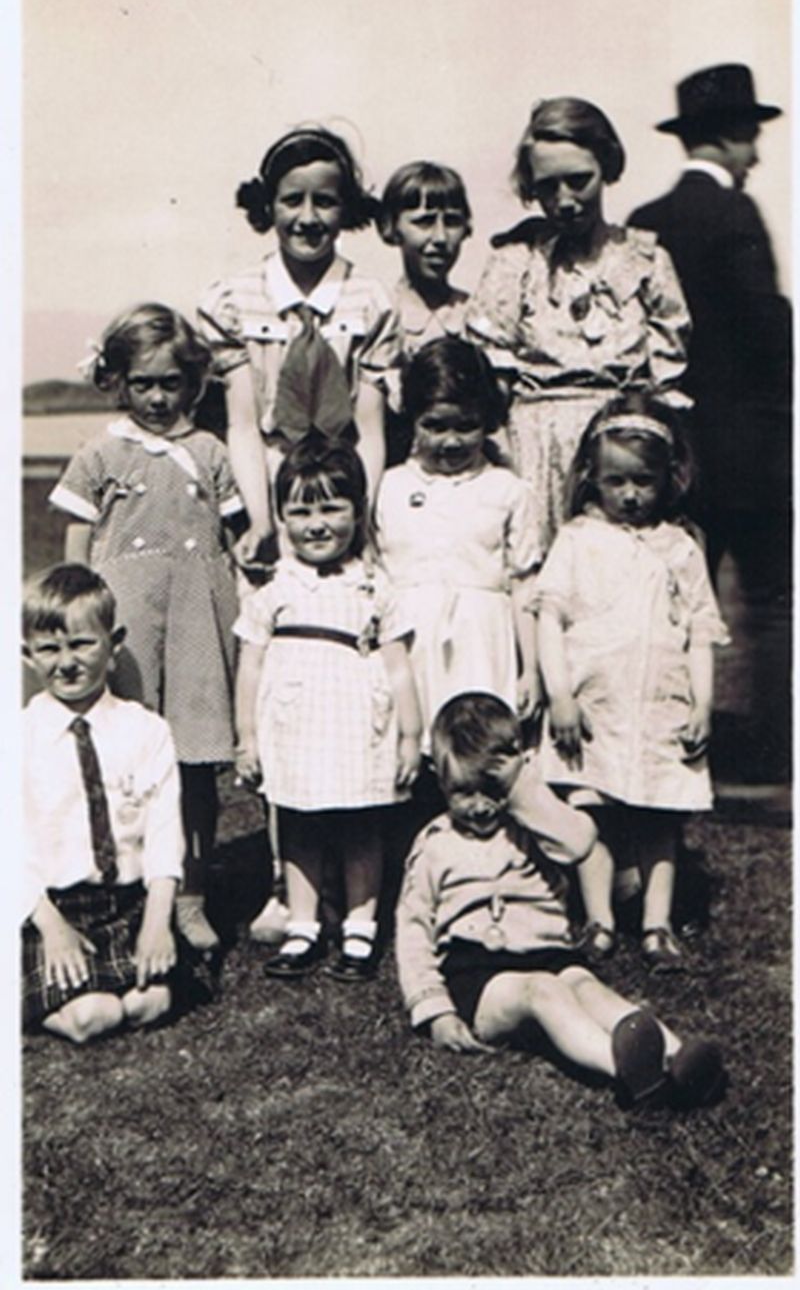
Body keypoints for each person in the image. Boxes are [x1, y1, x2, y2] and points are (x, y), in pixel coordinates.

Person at [395, 692, 725, 1108]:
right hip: (478, 973)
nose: (480, 806)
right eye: (463, 792)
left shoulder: (532, 824)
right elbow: (412, 930)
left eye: (491, 790)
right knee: (542, 992)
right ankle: (629, 1071)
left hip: (550, 952)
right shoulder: (433, 845)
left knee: (588, 988)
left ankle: (678, 1058)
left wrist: (525, 794)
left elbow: (581, 841)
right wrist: (434, 1009)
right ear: (440, 782)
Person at [49, 303, 243, 952]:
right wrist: (77, 614)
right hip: (129, 625)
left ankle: (191, 892)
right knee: (124, 759)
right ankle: (123, 888)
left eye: (171, 383)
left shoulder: (209, 452)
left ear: (192, 383)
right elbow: (77, 544)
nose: (158, 398)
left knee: (192, 762)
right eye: (143, 383)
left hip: (198, 622)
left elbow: (239, 539)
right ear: (118, 382)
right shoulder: (102, 452)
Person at [628, 64, 792, 784]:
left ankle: (668, 742)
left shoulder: (647, 221)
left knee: (674, 599)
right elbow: (768, 326)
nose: (755, 155)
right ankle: (771, 751)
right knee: (769, 601)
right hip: (752, 448)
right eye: (750, 138)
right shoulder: (736, 215)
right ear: (727, 137)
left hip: (675, 448)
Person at [534, 395, 728, 972]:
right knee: (590, 807)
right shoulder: (576, 540)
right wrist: (560, 695)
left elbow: (699, 631)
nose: (630, 495)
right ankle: (597, 919)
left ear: (668, 478)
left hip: (659, 705)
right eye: (616, 481)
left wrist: (703, 704)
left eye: (643, 481)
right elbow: (549, 617)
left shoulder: (680, 547)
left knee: (658, 813)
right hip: (595, 704)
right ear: (593, 476)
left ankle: (656, 924)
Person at [234, 435, 422, 981]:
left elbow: (399, 667)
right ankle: (303, 924)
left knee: (362, 824)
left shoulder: (374, 588)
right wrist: (247, 737)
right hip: (292, 726)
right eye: (301, 511)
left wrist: (410, 737)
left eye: (332, 508)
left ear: (357, 512)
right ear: (283, 517)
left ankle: (360, 927)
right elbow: (249, 666)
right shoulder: (272, 590)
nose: (317, 524)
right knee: (298, 824)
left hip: (357, 726)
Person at [466, 96, 690, 551]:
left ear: (605, 167)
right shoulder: (516, 264)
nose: (565, 200)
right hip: (532, 454)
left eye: (578, 181)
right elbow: (491, 379)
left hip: (622, 457)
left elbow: (667, 381)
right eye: (548, 187)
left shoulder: (645, 261)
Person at [198, 124, 399, 552]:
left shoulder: (371, 301)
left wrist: (359, 515)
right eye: (292, 200)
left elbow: (369, 429)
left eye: (324, 202)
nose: (307, 218)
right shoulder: (233, 300)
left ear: (346, 210)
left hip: (342, 490)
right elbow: (244, 425)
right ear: (268, 206)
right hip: (265, 479)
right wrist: (260, 519)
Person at [22, 564, 184, 1043]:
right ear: (27, 656)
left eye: (82, 644)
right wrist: (50, 926)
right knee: (93, 1016)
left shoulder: (146, 730)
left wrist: (158, 921)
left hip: (126, 904)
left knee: (147, 999)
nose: (66, 662)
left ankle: (119, 970)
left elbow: (162, 830)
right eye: (49, 649)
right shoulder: (20, 739)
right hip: (47, 908)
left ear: (114, 645)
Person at [374, 338, 540, 742]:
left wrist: (530, 669)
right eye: (434, 426)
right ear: (412, 419)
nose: (450, 441)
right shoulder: (389, 487)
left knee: (477, 754)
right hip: (408, 644)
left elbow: (524, 586)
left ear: (487, 422)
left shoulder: (508, 490)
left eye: (466, 427)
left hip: (482, 643)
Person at [377, 161, 473, 466]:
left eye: (453, 222)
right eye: (424, 222)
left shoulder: (475, 314)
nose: (441, 238)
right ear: (392, 228)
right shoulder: (380, 312)